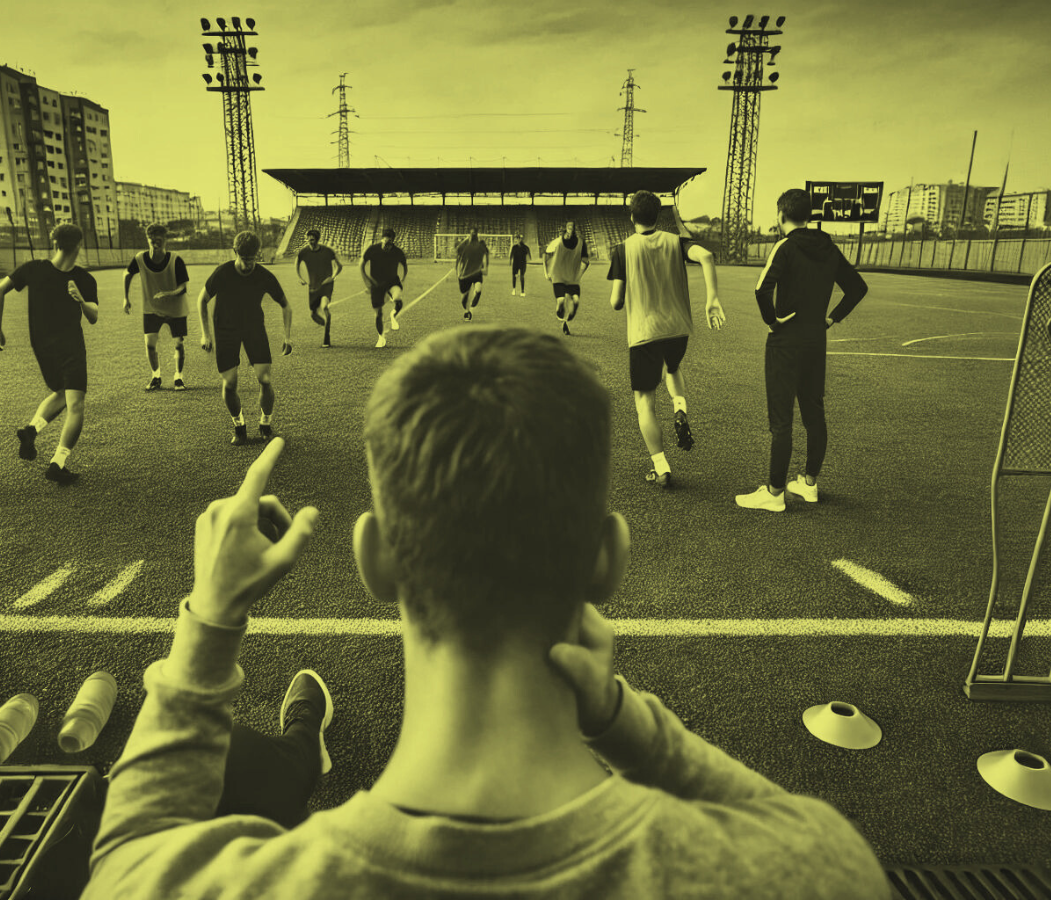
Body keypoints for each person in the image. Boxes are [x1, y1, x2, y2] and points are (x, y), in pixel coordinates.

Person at [81, 328, 893, 900]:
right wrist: (621, 722)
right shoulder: (814, 874)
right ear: (607, 561)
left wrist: (208, 627)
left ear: (375, 562)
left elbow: (127, 855)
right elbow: (793, 824)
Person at [736, 188, 868, 512]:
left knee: (781, 421)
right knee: (814, 414)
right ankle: (809, 484)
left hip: (785, 342)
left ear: (781, 216)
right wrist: (831, 318)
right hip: (815, 341)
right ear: (809, 215)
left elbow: (760, 289)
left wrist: (772, 321)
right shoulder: (827, 246)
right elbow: (857, 288)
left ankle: (775, 492)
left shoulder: (786, 246)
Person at [608, 191, 724, 488]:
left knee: (644, 401)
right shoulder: (676, 242)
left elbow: (616, 301)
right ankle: (680, 407)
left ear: (632, 216)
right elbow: (707, 256)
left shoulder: (622, 250)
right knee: (671, 369)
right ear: (658, 216)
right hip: (678, 330)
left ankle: (660, 468)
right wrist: (712, 298)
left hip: (644, 333)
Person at [0, 223, 99, 485]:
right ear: (79, 245)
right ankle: (57, 464)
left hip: (41, 347)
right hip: (70, 347)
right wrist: (81, 299)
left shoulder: (34, 268)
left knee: (62, 394)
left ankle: (31, 431)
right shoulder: (83, 278)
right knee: (76, 405)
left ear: (54, 244)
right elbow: (93, 317)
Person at [198, 231, 292, 445]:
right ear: (235, 252)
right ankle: (239, 426)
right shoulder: (222, 273)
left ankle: (265, 424)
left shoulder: (264, 275)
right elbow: (201, 300)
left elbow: (286, 305)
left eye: (253, 258)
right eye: (244, 258)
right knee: (230, 383)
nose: (249, 263)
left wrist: (287, 336)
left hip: (253, 328)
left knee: (265, 379)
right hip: (225, 330)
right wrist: (206, 334)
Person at [124, 224, 190, 391]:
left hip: (176, 308)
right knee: (150, 344)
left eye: (159, 240)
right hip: (152, 308)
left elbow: (183, 287)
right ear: (148, 240)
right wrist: (126, 298)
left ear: (165, 240)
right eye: (153, 240)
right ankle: (156, 377)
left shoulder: (176, 260)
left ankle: (178, 377)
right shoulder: (139, 258)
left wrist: (169, 293)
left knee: (178, 344)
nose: (156, 243)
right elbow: (128, 273)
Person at [359, 228, 407, 349]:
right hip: (376, 284)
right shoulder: (372, 250)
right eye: (385, 243)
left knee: (397, 299)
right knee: (378, 313)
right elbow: (361, 264)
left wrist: (402, 278)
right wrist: (367, 282)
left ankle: (393, 315)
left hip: (392, 282)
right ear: (382, 240)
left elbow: (404, 266)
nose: (387, 246)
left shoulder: (398, 252)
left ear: (393, 242)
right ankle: (381, 337)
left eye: (390, 244)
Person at [295, 228, 342, 349]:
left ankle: (327, 337)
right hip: (313, 286)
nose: (311, 242)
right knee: (313, 313)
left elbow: (339, 266)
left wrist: (333, 277)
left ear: (317, 240)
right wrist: (300, 277)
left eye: (313, 240)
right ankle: (326, 323)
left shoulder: (327, 251)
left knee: (325, 307)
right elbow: (297, 263)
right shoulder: (304, 252)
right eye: (309, 240)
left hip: (326, 285)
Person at [543, 220, 590, 336]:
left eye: (572, 228)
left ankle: (566, 322)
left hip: (572, 278)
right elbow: (545, 254)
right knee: (561, 301)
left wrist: (580, 274)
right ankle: (563, 321)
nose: (570, 230)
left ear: (575, 230)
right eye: (568, 228)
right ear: (565, 229)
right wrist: (546, 272)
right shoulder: (557, 242)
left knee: (576, 301)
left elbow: (586, 261)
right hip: (558, 276)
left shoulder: (581, 243)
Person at [455, 227, 489, 322]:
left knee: (478, 290)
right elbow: (458, 250)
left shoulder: (480, 245)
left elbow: (486, 253)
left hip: (477, 272)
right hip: (466, 272)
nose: (473, 235)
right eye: (472, 233)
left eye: (474, 233)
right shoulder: (465, 246)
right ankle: (467, 311)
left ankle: (472, 307)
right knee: (464, 296)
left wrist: (486, 268)